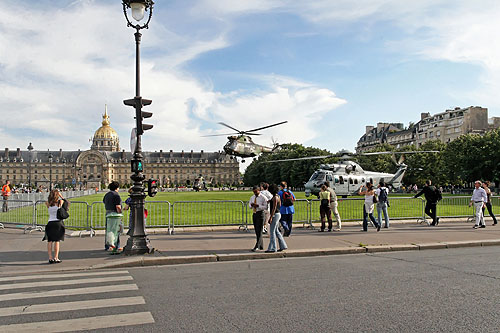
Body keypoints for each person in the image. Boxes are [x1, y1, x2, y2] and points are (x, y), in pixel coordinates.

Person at [43, 189, 65, 264]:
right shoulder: (59, 202)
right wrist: (61, 196)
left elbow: (48, 203)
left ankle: (50, 257)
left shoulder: (48, 203)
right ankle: (56, 257)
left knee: (50, 241)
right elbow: (65, 201)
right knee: (57, 241)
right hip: (58, 223)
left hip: (50, 222)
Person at [265, 184, 287, 252]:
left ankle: (272, 248)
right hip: (278, 214)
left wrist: (271, 217)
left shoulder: (275, 197)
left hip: (275, 214)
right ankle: (283, 245)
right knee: (276, 231)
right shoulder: (277, 196)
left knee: (272, 232)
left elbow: (274, 208)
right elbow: (279, 205)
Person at [103, 181, 123, 252]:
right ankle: (116, 246)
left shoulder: (107, 195)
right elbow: (118, 206)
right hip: (115, 214)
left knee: (109, 230)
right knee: (116, 231)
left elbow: (104, 202)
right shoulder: (116, 195)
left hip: (108, 213)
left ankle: (108, 246)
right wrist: (120, 213)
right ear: (117, 188)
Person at [249, 185, 267, 251]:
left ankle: (257, 246)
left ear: (259, 190)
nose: (255, 193)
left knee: (259, 230)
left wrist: (258, 206)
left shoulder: (263, 197)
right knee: (257, 230)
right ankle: (261, 245)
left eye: (256, 192)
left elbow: (265, 207)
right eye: (254, 192)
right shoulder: (252, 197)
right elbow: (249, 205)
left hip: (260, 214)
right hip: (254, 213)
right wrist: (251, 205)